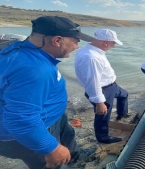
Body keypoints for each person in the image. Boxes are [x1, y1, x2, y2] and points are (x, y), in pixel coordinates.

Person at [0, 15, 93, 169]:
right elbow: (20, 120)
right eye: (76, 41)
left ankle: (76, 159)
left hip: (52, 116)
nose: (77, 47)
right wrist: (51, 147)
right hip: (30, 131)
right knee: (52, 164)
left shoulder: (22, 49)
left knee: (68, 136)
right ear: (57, 40)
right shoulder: (35, 69)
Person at [74, 29, 129, 144]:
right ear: (106, 43)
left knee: (124, 95)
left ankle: (122, 114)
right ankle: (103, 138)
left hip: (112, 86)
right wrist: (99, 103)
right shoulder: (92, 58)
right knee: (102, 115)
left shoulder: (93, 51)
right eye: (113, 43)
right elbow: (92, 82)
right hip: (103, 90)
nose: (113, 46)